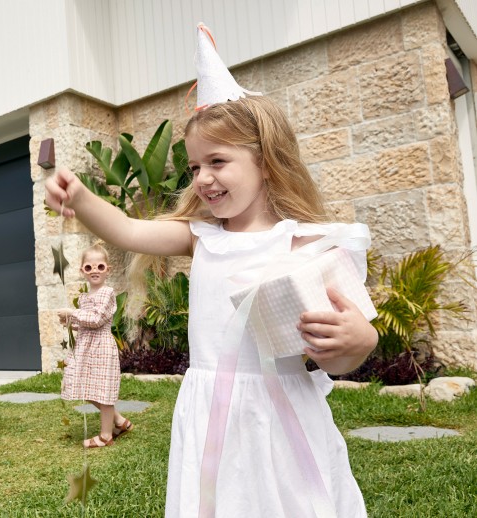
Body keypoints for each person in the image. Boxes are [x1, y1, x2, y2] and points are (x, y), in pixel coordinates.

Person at [45, 66, 377, 518]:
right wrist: (81, 199)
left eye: (217, 162)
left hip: (280, 413)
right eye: (195, 166)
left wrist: (361, 342)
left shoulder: (305, 245)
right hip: (209, 409)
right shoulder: (200, 236)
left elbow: (332, 355)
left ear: (265, 160)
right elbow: (126, 230)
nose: (201, 178)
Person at [58, 244, 134, 448]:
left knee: (102, 391)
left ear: (107, 270)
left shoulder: (107, 293)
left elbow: (97, 319)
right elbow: (85, 323)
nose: (95, 271)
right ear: (82, 270)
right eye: (89, 267)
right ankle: (118, 421)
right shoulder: (84, 297)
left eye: (100, 266)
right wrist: (70, 322)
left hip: (101, 347)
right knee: (84, 387)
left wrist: (73, 313)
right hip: (86, 347)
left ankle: (106, 435)